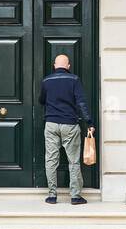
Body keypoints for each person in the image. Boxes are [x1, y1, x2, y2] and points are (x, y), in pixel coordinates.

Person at [38, 53, 92, 204]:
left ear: (55, 66)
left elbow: (41, 100)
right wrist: (89, 122)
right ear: (68, 66)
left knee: (51, 160)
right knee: (73, 161)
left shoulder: (46, 80)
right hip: (70, 124)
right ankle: (75, 196)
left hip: (51, 124)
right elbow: (81, 103)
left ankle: (52, 195)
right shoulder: (74, 79)